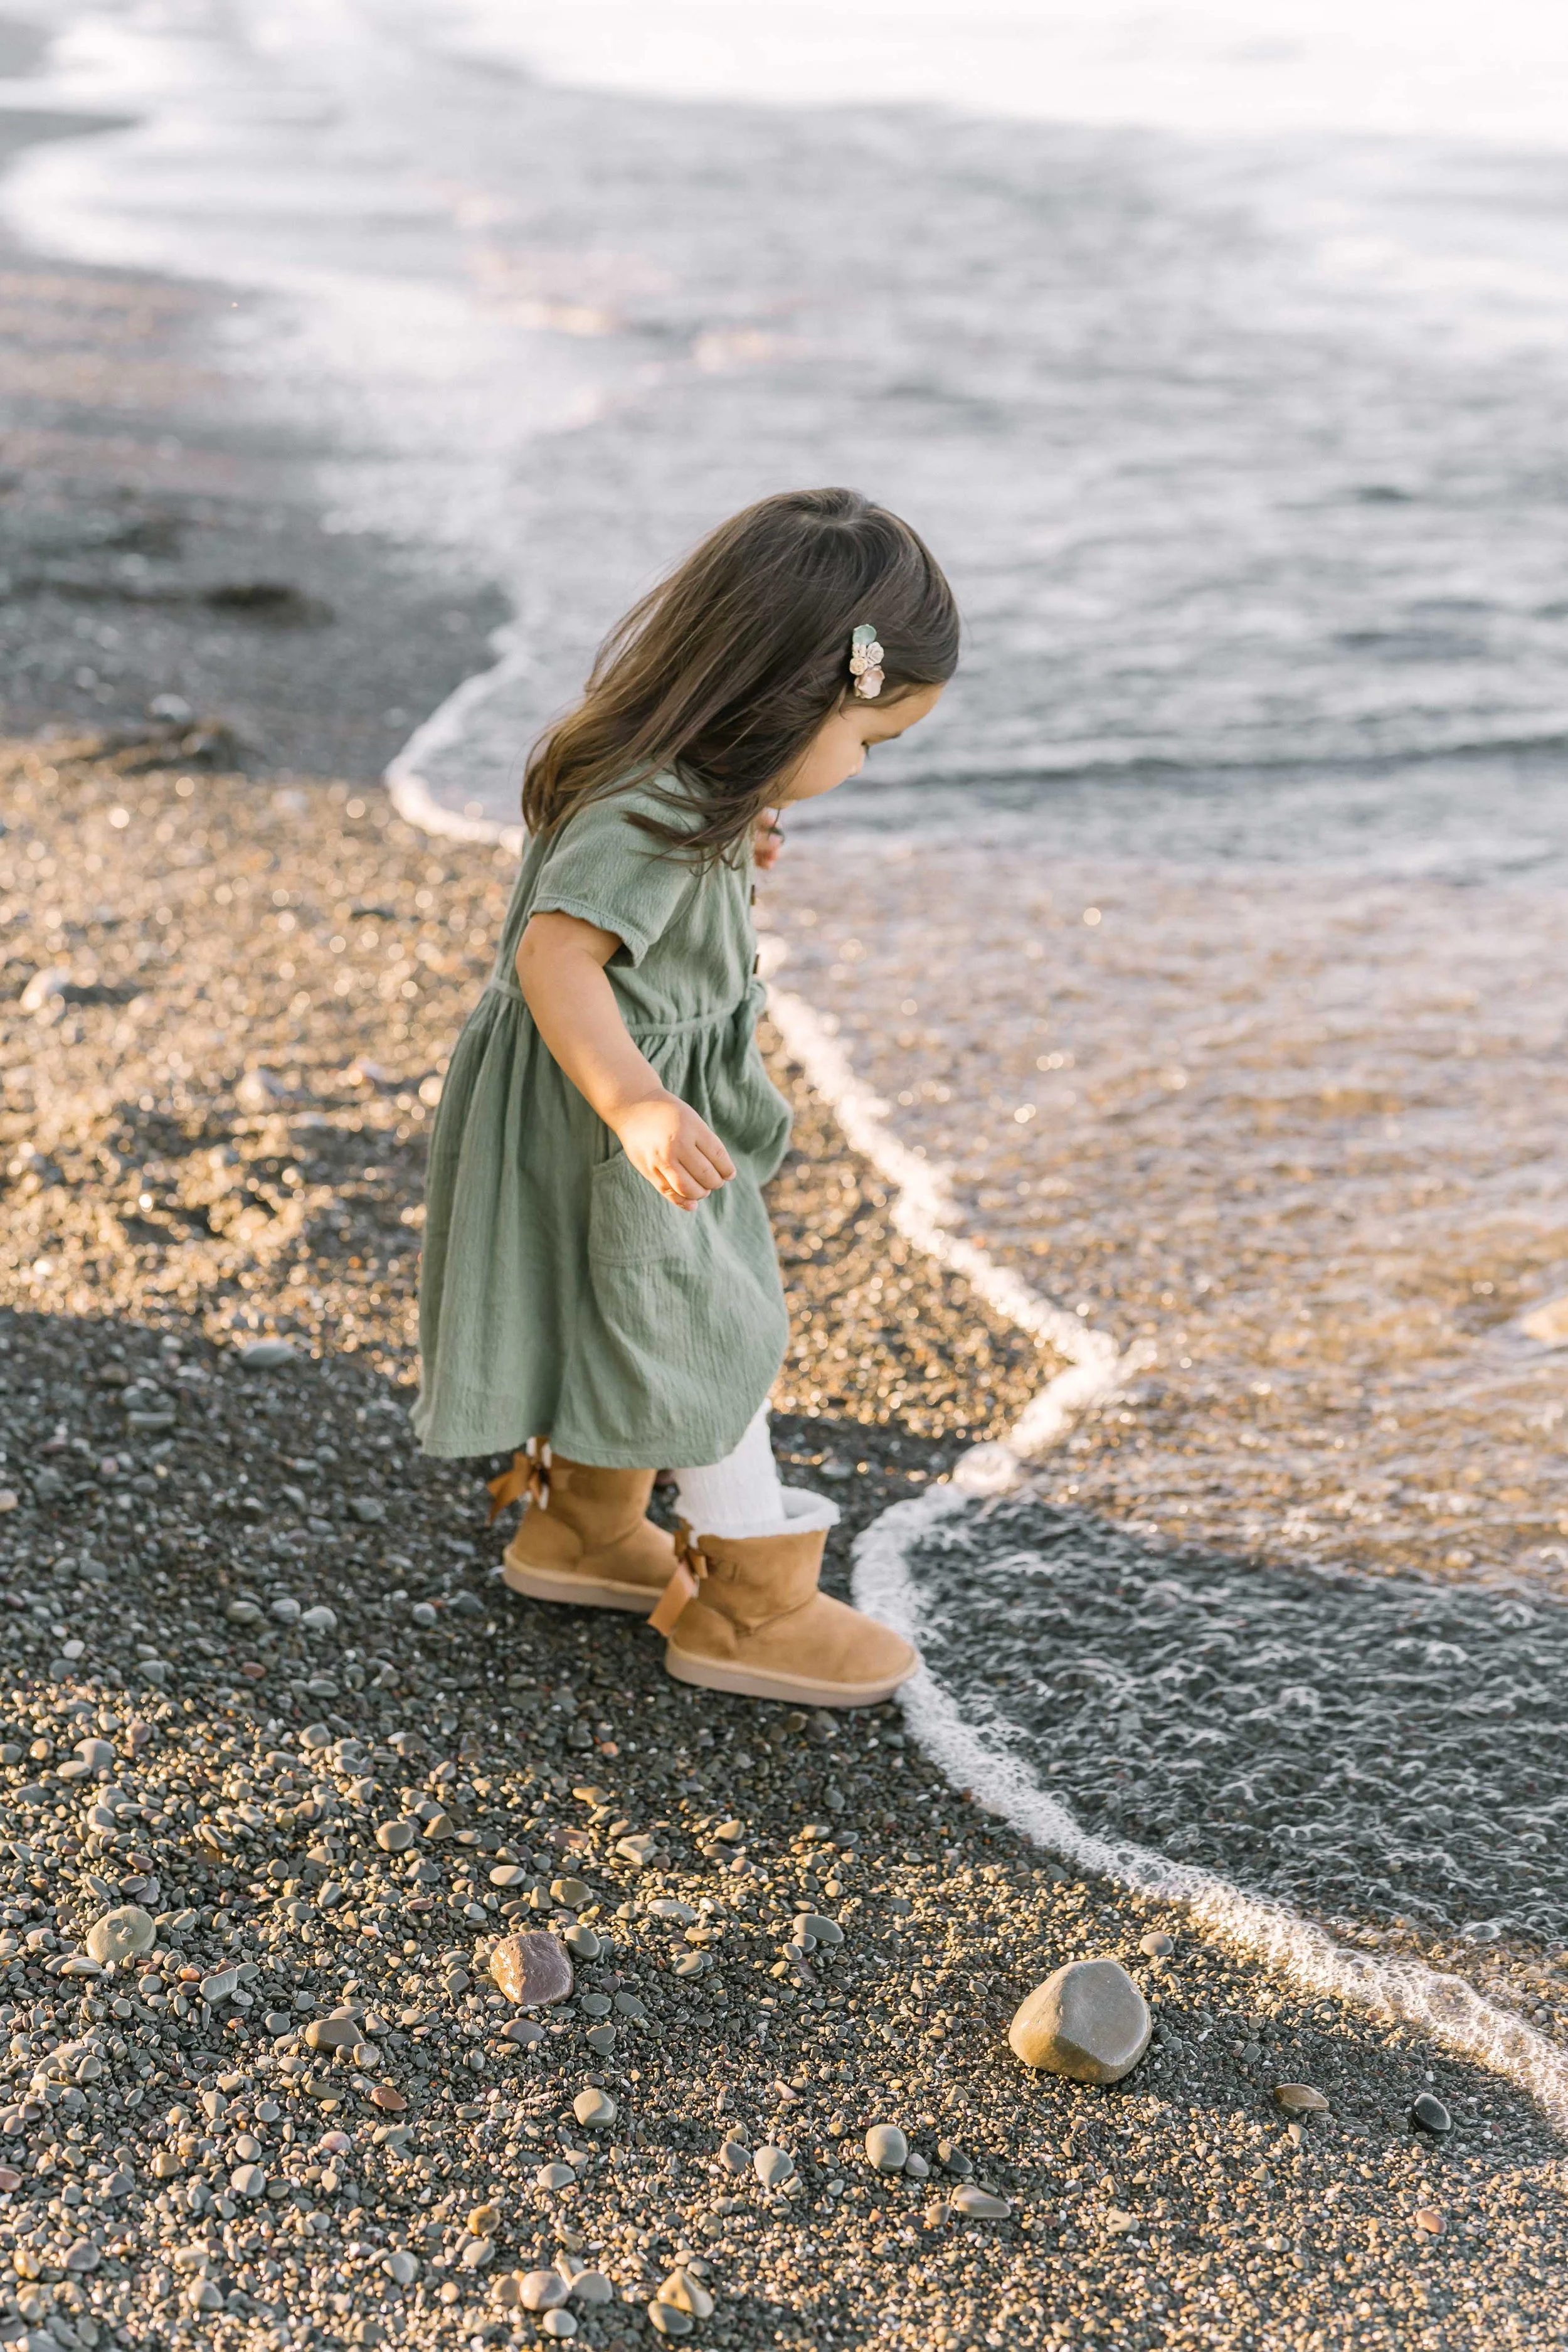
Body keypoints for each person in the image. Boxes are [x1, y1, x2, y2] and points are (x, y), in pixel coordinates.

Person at [413, 486, 958, 1705]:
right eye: (868, 741)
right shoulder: (651, 810)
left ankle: (584, 1528)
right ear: (793, 695)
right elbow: (556, 954)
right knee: (708, 1332)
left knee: (613, 1311)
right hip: (612, 1105)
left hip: (591, 1099)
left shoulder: (674, 786)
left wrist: (735, 827)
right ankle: (748, 1605)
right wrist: (639, 1104)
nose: (860, 770)